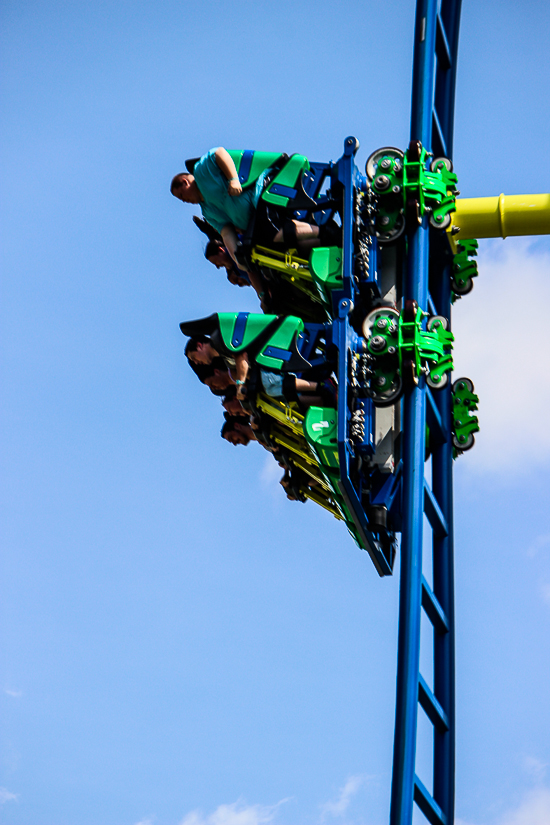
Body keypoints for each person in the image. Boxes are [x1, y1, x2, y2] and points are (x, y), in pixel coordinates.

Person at [185, 334, 336, 408]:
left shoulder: (219, 342)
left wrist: (240, 383)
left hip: (268, 353)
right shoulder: (223, 356)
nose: (197, 362)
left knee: (270, 384)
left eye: (194, 358)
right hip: (265, 361)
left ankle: (322, 388)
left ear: (199, 346)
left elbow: (241, 355)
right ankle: (325, 398)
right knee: (279, 398)